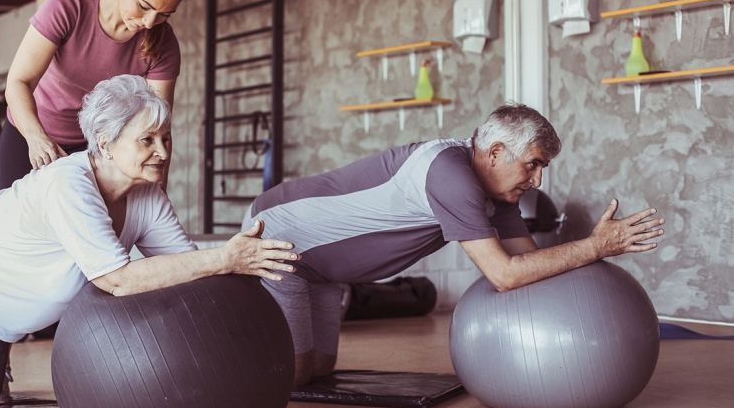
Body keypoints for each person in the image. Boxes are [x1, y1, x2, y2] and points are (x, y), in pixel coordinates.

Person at [0, 75, 299, 408]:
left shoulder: (147, 198)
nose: (161, 151)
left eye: (166, 138)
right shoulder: (69, 183)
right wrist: (224, 257)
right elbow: (114, 279)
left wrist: (243, 262)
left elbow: (185, 268)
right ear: (104, 142)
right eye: (147, 140)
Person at [243, 103, 666, 387]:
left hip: (323, 269)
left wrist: (595, 246)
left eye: (543, 168)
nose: (538, 181)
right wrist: (595, 247)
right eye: (533, 164)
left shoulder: (496, 194)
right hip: (280, 236)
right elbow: (504, 275)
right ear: (497, 152)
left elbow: (528, 261)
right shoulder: (450, 174)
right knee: (294, 374)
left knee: (320, 368)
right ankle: (225, 369)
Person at [0, 0, 188, 190]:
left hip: (96, 147)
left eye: (164, 14)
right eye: (143, 6)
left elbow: (157, 126)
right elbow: (18, 82)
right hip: (31, 131)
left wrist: (159, 195)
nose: (150, 23)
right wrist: (36, 137)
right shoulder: (70, 4)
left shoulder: (164, 44)